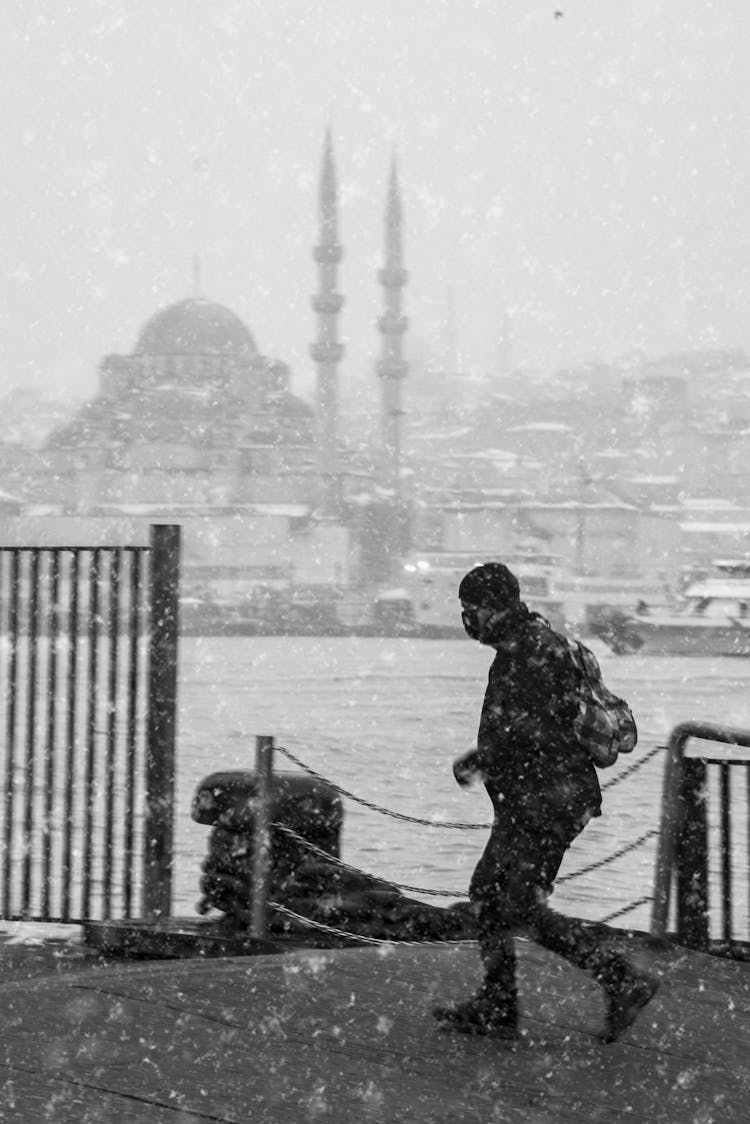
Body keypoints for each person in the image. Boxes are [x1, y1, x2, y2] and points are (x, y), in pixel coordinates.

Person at [432, 561, 659, 1043]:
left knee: (515, 901)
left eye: (472, 608)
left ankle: (621, 980)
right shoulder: (538, 644)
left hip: (546, 800)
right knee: (491, 895)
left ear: (495, 607)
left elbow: (536, 730)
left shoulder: (529, 653)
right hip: (539, 799)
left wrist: (482, 757)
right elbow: (537, 725)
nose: (468, 618)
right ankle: (498, 1005)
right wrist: (493, 759)